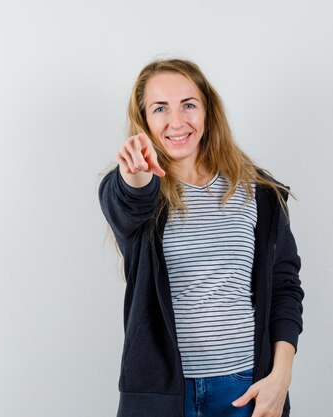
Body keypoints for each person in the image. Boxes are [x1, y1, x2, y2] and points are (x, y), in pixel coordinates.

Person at [97, 58, 304, 417]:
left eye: (188, 105)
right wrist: (134, 175)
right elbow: (128, 204)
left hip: (247, 390)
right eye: (160, 108)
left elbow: (284, 286)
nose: (176, 122)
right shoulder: (139, 187)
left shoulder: (259, 191)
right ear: (144, 120)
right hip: (162, 396)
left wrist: (281, 375)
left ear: (208, 111)